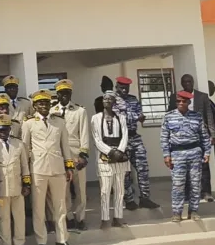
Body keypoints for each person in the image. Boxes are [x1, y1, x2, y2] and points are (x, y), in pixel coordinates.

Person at [22, 90, 77, 245]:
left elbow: (65, 146)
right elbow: (25, 149)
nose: (44, 106)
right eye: (40, 103)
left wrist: (69, 166)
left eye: (46, 103)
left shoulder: (59, 122)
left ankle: (62, 240)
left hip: (57, 168)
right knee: (38, 208)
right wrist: (25, 174)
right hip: (38, 169)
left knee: (60, 207)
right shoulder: (28, 123)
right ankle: (42, 241)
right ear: (35, 106)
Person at [161, 91, 212, 223]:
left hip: (194, 152)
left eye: (184, 101)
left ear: (189, 102)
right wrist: (166, 155)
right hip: (177, 154)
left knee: (195, 184)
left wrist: (207, 152)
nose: (181, 103)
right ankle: (177, 212)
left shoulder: (197, 116)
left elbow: (204, 135)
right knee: (178, 184)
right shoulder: (168, 117)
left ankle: (193, 211)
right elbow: (164, 138)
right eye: (178, 101)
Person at [167, 74, 215, 202]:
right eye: (185, 82)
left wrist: (212, 134)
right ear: (181, 83)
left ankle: (206, 192)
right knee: (184, 164)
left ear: (193, 82)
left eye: (189, 81)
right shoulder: (175, 97)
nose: (187, 84)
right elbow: (169, 115)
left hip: (200, 134)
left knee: (204, 164)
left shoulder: (202, 96)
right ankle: (187, 193)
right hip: (182, 137)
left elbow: (209, 116)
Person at [114, 76, 160, 210]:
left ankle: (145, 198)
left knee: (143, 169)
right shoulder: (113, 100)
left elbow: (140, 113)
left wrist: (138, 116)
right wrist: (135, 116)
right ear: (116, 87)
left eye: (126, 88)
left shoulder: (133, 99)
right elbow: (118, 117)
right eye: (121, 87)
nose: (124, 90)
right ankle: (129, 200)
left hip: (134, 137)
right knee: (125, 172)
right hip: (121, 139)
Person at [50, 80, 90, 230]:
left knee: (80, 189)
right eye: (61, 93)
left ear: (71, 94)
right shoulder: (52, 111)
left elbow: (84, 134)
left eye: (67, 93)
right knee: (64, 189)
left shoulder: (80, 111)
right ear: (58, 94)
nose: (64, 96)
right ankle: (68, 217)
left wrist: (83, 154)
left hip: (76, 153)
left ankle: (80, 218)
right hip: (59, 154)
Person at [0, 114, 30, 245]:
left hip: (17, 185)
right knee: (4, 218)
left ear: (10, 129)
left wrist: (27, 183)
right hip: (1, 188)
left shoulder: (18, 143)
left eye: (6, 130)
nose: (3, 133)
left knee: (19, 216)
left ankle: (19, 244)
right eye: (0, 130)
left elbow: (24, 165)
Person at [91, 92, 131, 230]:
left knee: (120, 189)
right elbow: (96, 139)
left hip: (120, 157)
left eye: (110, 99)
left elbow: (125, 135)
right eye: (105, 99)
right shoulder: (96, 118)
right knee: (105, 190)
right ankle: (105, 218)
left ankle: (118, 217)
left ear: (114, 102)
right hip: (105, 157)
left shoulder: (121, 117)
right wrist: (111, 152)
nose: (107, 100)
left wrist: (119, 152)